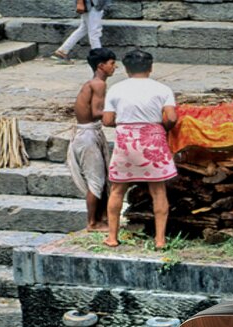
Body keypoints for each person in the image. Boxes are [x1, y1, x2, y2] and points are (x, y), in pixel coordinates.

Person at [102, 49, 178, 250]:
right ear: (150, 68)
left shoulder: (115, 89)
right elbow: (172, 118)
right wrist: (161, 128)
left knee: (117, 189)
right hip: (153, 139)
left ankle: (112, 237)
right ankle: (160, 240)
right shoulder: (163, 89)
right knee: (158, 191)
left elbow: (107, 120)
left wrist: (126, 123)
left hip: (126, 141)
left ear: (126, 69)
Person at [66, 48, 117, 232]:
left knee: (100, 180)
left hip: (87, 133)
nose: (115, 67)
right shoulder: (99, 84)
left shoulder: (93, 83)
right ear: (101, 66)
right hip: (87, 136)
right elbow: (96, 112)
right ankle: (92, 223)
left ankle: (101, 218)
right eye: (112, 63)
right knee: (96, 181)